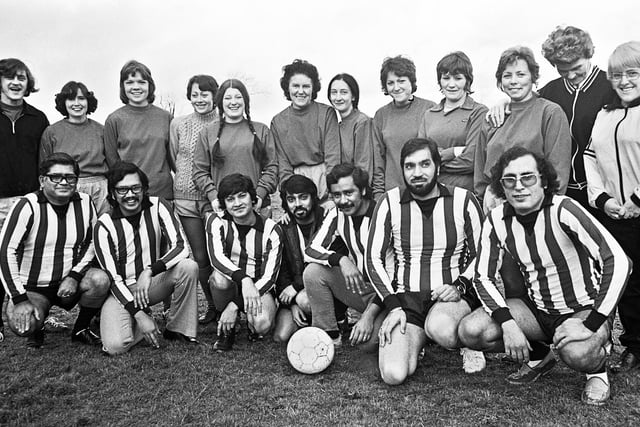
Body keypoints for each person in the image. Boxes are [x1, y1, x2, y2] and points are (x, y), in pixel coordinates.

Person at [460, 147, 630, 406]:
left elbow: (619, 261)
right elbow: (482, 276)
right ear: (501, 186)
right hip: (538, 311)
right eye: (510, 180)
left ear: (544, 181)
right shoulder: (497, 220)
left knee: (577, 352)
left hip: (580, 309)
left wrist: (591, 322)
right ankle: (540, 357)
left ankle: (597, 371)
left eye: (528, 177)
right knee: (472, 331)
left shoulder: (565, 209)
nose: (519, 186)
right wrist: (508, 324)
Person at [366, 139, 486, 385]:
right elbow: (373, 258)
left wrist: (460, 286)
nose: (417, 173)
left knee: (440, 326)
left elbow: (483, 253)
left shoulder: (464, 200)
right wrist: (393, 305)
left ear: (438, 167)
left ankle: (467, 343)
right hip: (407, 300)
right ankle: (418, 339)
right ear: (403, 170)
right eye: (410, 166)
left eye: (424, 164)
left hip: (450, 296)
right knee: (393, 374)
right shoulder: (388, 202)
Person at [488, 26, 615, 212]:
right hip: (564, 191)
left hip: (606, 192)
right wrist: (503, 102)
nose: (571, 76)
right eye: (563, 70)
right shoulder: (550, 91)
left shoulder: (611, 87)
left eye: (577, 68)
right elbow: (523, 102)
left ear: (589, 55)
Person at [0, 153, 110, 348]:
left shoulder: (84, 202)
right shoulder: (27, 205)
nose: (63, 182)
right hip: (33, 286)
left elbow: (93, 242)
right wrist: (19, 299)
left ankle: (80, 328)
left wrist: (75, 276)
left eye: (70, 177)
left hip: (69, 282)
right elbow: (5, 251)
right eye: (56, 177)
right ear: (43, 180)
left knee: (100, 280)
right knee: (25, 326)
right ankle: (39, 325)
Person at [94, 162, 199, 355]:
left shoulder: (158, 205)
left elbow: (181, 247)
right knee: (115, 347)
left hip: (151, 284)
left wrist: (149, 270)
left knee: (188, 266)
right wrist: (139, 315)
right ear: (113, 193)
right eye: (122, 190)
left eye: (136, 188)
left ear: (144, 189)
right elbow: (112, 279)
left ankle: (178, 329)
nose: (130, 195)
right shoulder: (104, 225)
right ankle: (137, 321)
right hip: (121, 291)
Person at [584, 41, 640, 372]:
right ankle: (630, 346)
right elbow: (591, 158)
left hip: (636, 210)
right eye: (617, 75)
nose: (624, 81)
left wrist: (636, 202)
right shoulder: (605, 114)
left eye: (632, 73)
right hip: (613, 214)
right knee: (622, 281)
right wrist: (603, 201)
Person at [475, 46, 571, 207]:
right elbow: (480, 171)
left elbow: (558, 171)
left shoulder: (550, 113)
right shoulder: (493, 117)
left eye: (520, 74)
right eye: (507, 75)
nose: (513, 81)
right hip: (494, 204)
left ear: (533, 77)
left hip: (535, 203)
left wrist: (546, 208)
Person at [305, 164, 383, 349]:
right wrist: (341, 259)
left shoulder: (383, 215)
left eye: (349, 193)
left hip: (388, 296)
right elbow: (311, 249)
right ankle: (329, 335)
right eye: (337, 195)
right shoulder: (337, 214)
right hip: (363, 288)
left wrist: (368, 317)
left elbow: (397, 278)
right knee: (313, 272)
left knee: (367, 345)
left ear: (363, 190)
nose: (343, 200)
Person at [0, 58, 49, 341]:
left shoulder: (37, 118)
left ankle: (36, 313)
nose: (17, 82)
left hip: (29, 201)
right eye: (10, 77)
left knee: (28, 259)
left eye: (22, 77)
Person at [205, 174, 282, 351]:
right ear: (223, 203)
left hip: (258, 286)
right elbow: (217, 258)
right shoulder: (216, 221)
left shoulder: (272, 229)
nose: (237, 203)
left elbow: (270, 278)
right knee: (219, 279)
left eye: (242, 196)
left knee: (262, 324)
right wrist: (244, 279)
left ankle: (249, 322)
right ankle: (227, 329)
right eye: (230, 199)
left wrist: (236, 305)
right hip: (231, 281)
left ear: (253, 198)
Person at [170, 74, 219, 325]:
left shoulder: (224, 121)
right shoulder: (178, 124)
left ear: (215, 95)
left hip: (214, 199)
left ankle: (225, 303)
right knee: (200, 257)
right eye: (195, 94)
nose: (200, 99)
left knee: (218, 254)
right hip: (186, 200)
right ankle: (212, 306)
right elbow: (173, 156)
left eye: (205, 94)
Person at [193, 78, 277, 217]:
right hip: (221, 208)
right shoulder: (207, 133)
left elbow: (272, 168)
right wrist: (213, 196)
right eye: (228, 98)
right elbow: (199, 171)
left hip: (256, 207)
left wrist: (260, 195)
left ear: (245, 101)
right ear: (220, 102)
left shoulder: (262, 130)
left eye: (238, 97)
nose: (233, 102)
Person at [40, 81, 116, 215]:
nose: (76, 103)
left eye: (81, 98)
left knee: (102, 229)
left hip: (100, 189)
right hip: (66, 186)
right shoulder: (52, 132)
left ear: (88, 102)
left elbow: (112, 162)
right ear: (63, 102)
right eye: (71, 99)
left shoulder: (101, 130)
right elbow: (44, 166)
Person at [271, 59, 340, 201]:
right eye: (296, 86)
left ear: (313, 88)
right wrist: (288, 196)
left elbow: (333, 157)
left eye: (306, 86)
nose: (300, 91)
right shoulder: (278, 122)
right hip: (296, 185)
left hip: (324, 181)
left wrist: (333, 193)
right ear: (287, 88)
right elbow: (283, 165)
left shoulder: (326, 113)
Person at [418, 52, 488, 192]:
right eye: (446, 78)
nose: (451, 84)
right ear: (440, 81)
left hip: (464, 193)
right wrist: (454, 152)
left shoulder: (479, 112)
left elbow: (472, 161)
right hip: (431, 194)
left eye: (458, 78)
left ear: (467, 81)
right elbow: (420, 157)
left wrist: (434, 162)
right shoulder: (429, 115)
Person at [104, 60, 173, 200]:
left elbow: (173, 158)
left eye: (141, 82)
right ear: (123, 87)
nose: (136, 87)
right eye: (130, 82)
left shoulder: (166, 117)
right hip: (130, 196)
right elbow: (112, 161)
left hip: (163, 193)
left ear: (150, 85)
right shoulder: (114, 119)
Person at [372, 55, 435, 199]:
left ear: (411, 82)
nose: (396, 87)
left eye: (401, 81)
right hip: (393, 193)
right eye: (391, 83)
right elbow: (378, 159)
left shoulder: (429, 108)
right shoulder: (381, 115)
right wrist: (378, 193)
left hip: (425, 190)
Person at [272, 175, 325, 342]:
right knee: (281, 336)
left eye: (303, 197)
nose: (298, 204)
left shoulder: (327, 221)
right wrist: (292, 303)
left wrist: (296, 287)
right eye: (291, 199)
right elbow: (280, 271)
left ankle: (332, 319)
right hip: (294, 295)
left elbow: (328, 265)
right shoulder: (283, 227)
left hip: (322, 289)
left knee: (305, 301)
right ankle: (306, 317)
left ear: (313, 198)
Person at [327, 73, 374, 182]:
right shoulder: (336, 125)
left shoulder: (362, 122)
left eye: (344, 92)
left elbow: (363, 166)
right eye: (334, 93)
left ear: (353, 96)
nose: (338, 97)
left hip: (357, 188)